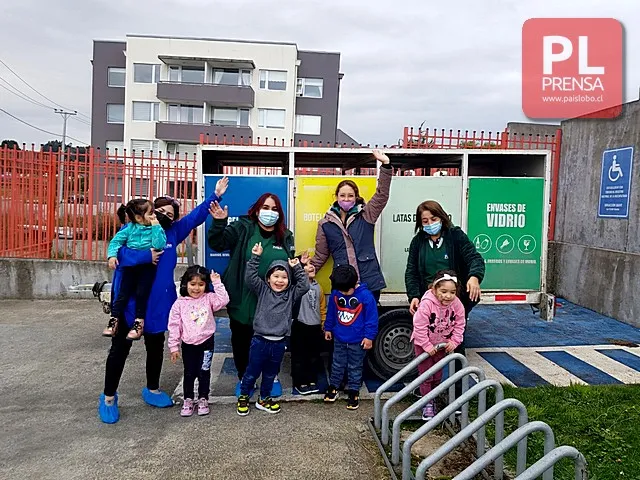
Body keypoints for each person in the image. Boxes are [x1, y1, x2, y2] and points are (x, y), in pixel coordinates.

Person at [97, 176, 229, 424]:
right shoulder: (131, 230)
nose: (164, 215)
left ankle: (152, 388)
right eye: (159, 210)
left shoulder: (172, 231)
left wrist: (216, 195)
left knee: (155, 347)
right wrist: (146, 256)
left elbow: (195, 216)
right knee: (119, 349)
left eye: (169, 213)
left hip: (158, 305)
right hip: (130, 304)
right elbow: (119, 255)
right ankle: (108, 397)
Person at [207, 192, 295, 399]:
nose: (269, 213)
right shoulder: (242, 228)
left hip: (272, 302)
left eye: (274, 209)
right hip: (242, 297)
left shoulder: (286, 235)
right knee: (242, 340)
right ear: (256, 210)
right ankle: (243, 377)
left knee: (271, 342)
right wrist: (219, 223)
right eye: (265, 207)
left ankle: (270, 377)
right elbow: (217, 243)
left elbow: (290, 264)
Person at [404, 199, 484, 397]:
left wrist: (474, 277)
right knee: (427, 346)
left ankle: (457, 395)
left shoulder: (455, 236)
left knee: (456, 342)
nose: (430, 223)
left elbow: (475, 258)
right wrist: (413, 296)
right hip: (430, 301)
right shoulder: (418, 241)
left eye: (433, 218)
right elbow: (411, 271)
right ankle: (427, 390)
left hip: (453, 300)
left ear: (442, 217)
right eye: (425, 220)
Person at [309, 149, 393, 304]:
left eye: (350, 196)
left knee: (368, 323)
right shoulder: (325, 224)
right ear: (336, 197)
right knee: (345, 324)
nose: (346, 199)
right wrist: (304, 273)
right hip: (342, 283)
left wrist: (386, 166)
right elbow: (321, 255)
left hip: (369, 283)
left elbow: (382, 195)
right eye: (342, 195)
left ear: (356, 197)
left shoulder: (367, 214)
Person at [236, 242, 309, 416]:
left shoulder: (291, 293)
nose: (279, 281)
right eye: (276, 276)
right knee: (251, 372)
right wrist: (255, 257)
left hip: (279, 343)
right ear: (268, 278)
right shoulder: (262, 290)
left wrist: (297, 267)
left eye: (284, 277)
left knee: (270, 374)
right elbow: (250, 277)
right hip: (260, 341)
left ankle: (264, 399)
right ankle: (244, 396)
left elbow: (304, 286)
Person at [168, 266, 230, 417]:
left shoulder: (209, 298)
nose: (196, 288)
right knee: (189, 373)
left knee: (204, 372)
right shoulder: (179, 304)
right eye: (193, 284)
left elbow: (224, 300)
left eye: (201, 284)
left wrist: (217, 283)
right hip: (188, 345)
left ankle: (203, 398)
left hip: (207, 344)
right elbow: (174, 326)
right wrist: (173, 347)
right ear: (185, 284)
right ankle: (188, 399)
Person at [103, 198, 167, 341]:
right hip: (130, 268)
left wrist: (156, 225)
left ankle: (139, 322)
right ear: (138, 217)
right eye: (151, 213)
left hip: (147, 268)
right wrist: (111, 256)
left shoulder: (155, 228)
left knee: (141, 293)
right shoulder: (129, 229)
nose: (154, 215)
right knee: (123, 293)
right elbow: (116, 242)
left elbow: (159, 244)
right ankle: (114, 319)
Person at [411, 269, 466, 420]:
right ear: (434, 289)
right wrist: (427, 346)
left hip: (442, 345)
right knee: (426, 375)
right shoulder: (427, 303)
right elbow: (419, 326)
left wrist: (455, 341)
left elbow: (460, 323)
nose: (448, 296)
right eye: (443, 291)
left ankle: (432, 397)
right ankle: (427, 403)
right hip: (425, 346)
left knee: (437, 376)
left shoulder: (457, 304)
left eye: (452, 292)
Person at [323, 264, 378, 410]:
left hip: (358, 340)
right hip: (339, 337)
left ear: (354, 283)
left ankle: (354, 391)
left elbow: (371, 319)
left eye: (346, 291)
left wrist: (369, 337)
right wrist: (328, 328)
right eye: (340, 290)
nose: (343, 293)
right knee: (337, 364)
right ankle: (333, 386)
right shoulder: (336, 293)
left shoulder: (366, 296)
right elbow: (331, 312)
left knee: (355, 366)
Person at [290, 255, 326, 395]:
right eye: (307, 264)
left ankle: (311, 379)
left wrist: (323, 323)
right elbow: (295, 278)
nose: (311, 266)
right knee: (299, 356)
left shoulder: (318, 287)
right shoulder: (298, 286)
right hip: (300, 326)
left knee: (313, 356)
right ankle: (300, 381)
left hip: (315, 327)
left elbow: (322, 307)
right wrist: (299, 265)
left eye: (312, 264)